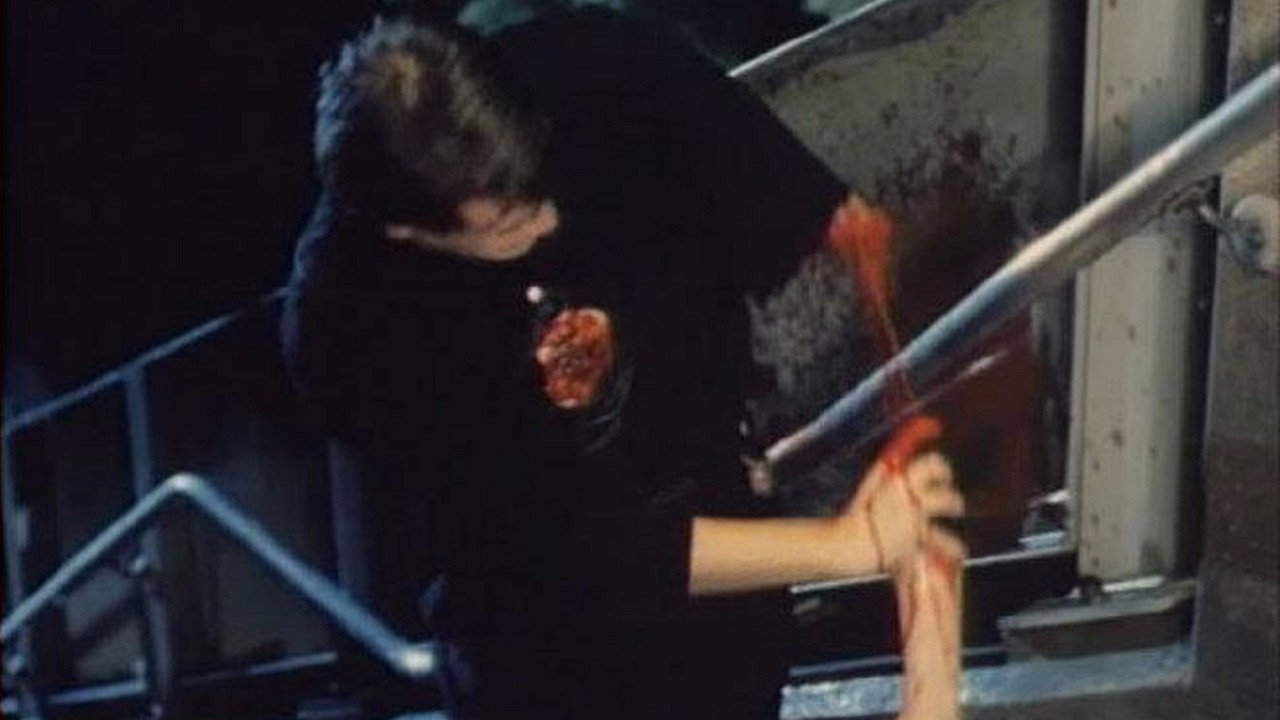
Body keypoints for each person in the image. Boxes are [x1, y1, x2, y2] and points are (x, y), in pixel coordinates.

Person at [281, 9, 964, 719]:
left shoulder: (604, 68)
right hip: (550, 664)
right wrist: (846, 545)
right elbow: (571, 551)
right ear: (406, 230)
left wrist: (932, 667)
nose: (549, 220)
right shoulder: (351, 331)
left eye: (542, 182)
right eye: (508, 223)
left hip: (725, 594)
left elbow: (835, 227)